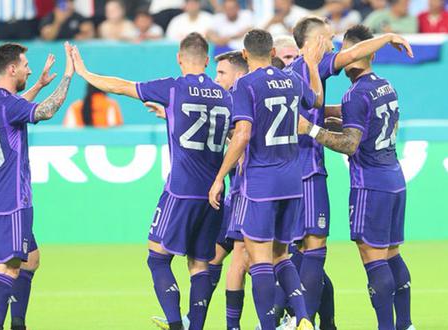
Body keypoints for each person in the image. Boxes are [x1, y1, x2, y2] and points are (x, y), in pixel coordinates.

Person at [71, 32, 233, 330]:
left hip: (181, 189)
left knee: (157, 258)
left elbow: (121, 87)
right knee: (199, 264)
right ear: (208, 61)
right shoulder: (225, 94)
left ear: (179, 59)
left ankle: (175, 324)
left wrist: (84, 72)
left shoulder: (174, 87)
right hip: (214, 192)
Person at [283, 15, 413, 329]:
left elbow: (351, 144)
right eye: (328, 39)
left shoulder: (351, 93)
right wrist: (329, 116)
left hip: (366, 183)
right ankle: (404, 324)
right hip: (394, 176)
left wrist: (312, 128)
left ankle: (302, 320)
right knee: (390, 253)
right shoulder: (386, 86)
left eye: (337, 43)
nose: (332, 46)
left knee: (363, 256)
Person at [209, 28, 326, 330]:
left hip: (260, 182)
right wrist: (312, 65)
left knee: (258, 260)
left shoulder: (245, 85)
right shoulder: (292, 79)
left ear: (245, 55)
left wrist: (220, 176)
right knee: (281, 255)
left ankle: (268, 326)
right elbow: (316, 101)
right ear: (273, 52)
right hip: (293, 180)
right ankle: (302, 317)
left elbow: (243, 134)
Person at [147, 50, 249, 330]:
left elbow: (241, 144)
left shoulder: (238, 100)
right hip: (225, 196)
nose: (217, 79)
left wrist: (220, 176)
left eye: (222, 73)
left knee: (258, 260)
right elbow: (225, 132)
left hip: (235, 196)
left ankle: (284, 318)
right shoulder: (232, 103)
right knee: (209, 261)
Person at [0, 42, 74, 330]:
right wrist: (69, 75)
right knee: (7, 266)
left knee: (30, 259)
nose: (30, 69)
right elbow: (46, 112)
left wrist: (40, 85)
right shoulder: (9, 104)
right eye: (26, 65)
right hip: (11, 199)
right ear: (11, 68)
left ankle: (18, 323)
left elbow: (17, 109)